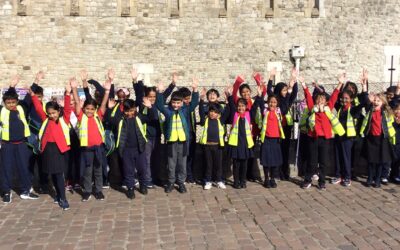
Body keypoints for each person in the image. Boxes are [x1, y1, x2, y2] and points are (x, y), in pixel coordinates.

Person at [31, 79, 74, 210]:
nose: (51, 115)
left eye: (54, 113)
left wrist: (67, 93)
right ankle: (57, 195)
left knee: (59, 174)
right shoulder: (46, 119)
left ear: (58, 111)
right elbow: (38, 107)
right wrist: (33, 91)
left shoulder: (64, 119)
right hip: (48, 149)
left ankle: (63, 198)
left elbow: (67, 108)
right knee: (52, 174)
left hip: (59, 149)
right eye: (49, 113)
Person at [155, 78, 199, 193]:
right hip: (171, 143)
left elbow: (194, 103)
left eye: (178, 103)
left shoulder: (185, 111)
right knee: (171, 164)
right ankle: (170, 182)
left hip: (183, 143)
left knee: (182, 164)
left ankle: (181, 182)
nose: (175, 105)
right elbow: (159, 105)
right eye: (174, 102)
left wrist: (195, 90)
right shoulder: (168, 112)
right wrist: (159, 92)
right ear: (171, 103)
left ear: (182, 103)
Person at [300, 75, 344, 190]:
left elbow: (334, 97)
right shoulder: (312, 108)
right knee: (312, 162)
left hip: (325, 139)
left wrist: (339, 84)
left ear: (325, 101)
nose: (320, 101)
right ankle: (307, 180)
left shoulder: (328, 108)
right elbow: (308, 97)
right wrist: (304, 85)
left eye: (322, 99)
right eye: (318, 99)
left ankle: (322, 181)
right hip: (313, 138)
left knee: (323, 162)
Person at [71, 77, 111, 201]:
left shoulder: (98, 116)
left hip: (98, 148)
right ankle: (87, 191)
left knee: (98, 170)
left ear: (95, 109)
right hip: (87, 149)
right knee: (87, 172)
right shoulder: (81, 116)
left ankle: (98, 190)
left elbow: (104, 104)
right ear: (84, 109)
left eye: (92, 109)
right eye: (87, 108)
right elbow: (77, 102)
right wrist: (74, 88)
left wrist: (107, 91)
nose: (89, 111)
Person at [0, 76, 39, 203]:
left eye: (13, 102)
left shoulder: (22, 108)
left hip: (22, 144)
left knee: (24, 167)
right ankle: (6, 191)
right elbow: (8, 95)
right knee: (6, 168)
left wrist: (36, 81)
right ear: (4, 103)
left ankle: (25, 190)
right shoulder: (2, 111)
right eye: (8, 103)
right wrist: (11, 86)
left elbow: (29, 97)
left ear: (17, 101)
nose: (11, 104)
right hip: (7, 145)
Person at [112, 98, 157, 199]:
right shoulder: (120, 119)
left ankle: (143, 186)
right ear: (123, 110)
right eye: (127, 111)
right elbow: (109, 119)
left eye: (132, 110)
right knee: (129, 171)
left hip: (140, 148)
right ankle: (130, 189)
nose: (129, 113)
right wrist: (111, 109)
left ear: (135, 109)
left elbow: (152, 117)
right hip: (126, 150)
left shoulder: (139, 117)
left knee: (142, 169)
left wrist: (150, 107)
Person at [360, 92, 396, 188]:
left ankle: (377, 180)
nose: (375, 102)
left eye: (378, 101)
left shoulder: (385, 113)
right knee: (371, 160)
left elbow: (390, 120)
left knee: (380, 161)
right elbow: (365, 101)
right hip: (371, 139)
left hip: (382, 139)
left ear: (383, 103)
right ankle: (370, 178)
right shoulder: (370, 110)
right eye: (374, 100)